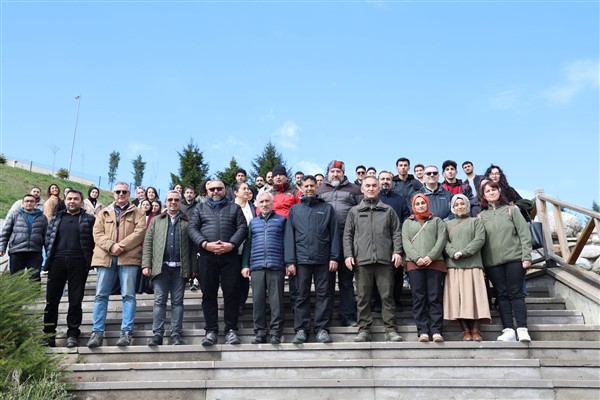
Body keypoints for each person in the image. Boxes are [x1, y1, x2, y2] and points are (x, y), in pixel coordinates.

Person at [188, 179, 248, 346]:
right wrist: (205, 244)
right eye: (212, 189)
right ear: (207, 191)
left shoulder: (234, 208)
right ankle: (211, 330)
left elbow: (242, 228)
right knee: (208, 294)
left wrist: (231, 245)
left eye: (219, 189)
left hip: (230, 257)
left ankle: (231, 330)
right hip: (207, 257)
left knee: (232, 294)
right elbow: (192, 228)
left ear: (224, 190)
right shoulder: (199, 208)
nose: (215, 191)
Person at [343, 176, 404, 343]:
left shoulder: (388, 210)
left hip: (384, 260)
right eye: (367, 186)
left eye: (374, 186)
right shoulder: (354, 212)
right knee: (363, 298)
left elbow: (397, 233)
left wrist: (397, 251)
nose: (370, 188)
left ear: (379, 189)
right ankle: (363, 330)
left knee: (387, 297)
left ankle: (391, 330)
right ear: (362, 189)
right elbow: (347, 235)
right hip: (362, 261)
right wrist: (348, 255)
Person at [87, 182, 146, 348]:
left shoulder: (138, 213)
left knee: (128, 295)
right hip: (105, 257)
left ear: (129, 194)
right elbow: (97, 233)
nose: (121, 194)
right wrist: (111, 246)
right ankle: (97, 332)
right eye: (118, 191)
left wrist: (122, 246)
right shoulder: (103, 212)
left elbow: (140, 232)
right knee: (100, 295)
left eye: (124, 192)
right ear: (113, 193)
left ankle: (126, 332)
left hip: (128, 258)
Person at [285, 176, 339, 344]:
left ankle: (322, 329)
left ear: (317, 187)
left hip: (323, 259)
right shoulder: (295, 210)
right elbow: (289, 237)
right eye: (306, 186)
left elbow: (335, 234)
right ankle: (301, 329)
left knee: (324, 294)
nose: (309, 188)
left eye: (312, 186)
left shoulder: (327, 208)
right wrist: (290, 261)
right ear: (301, 188)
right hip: (301, 260)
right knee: (301, 295)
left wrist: (334, 257)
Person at [479, 180, 532, 342]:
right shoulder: (481, 216)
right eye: (487, 191)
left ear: (499, 192)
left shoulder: (512, 210)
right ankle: (508, 329)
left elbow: (524, 234)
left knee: (516, 293)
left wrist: (526, 256)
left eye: (494, 190)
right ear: (484, 196)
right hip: (492, 263)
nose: (491, 193)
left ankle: (522, 328)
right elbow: (481, 242)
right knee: (501, 295)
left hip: (514, 259)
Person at [142, 190, 196, 346]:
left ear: (180, 202)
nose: (173, 202)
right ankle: (157, 334)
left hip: (180, 269)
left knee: (178, 302)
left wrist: (194, 268)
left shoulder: (187, 221)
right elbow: (148, 243)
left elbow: (193, 247)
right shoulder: (156, 221)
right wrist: (146, 264)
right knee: (159, 301)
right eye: (170, 199)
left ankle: (176, 334)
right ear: (165, 202)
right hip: (161, 268)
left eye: (176, 200)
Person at [43, 189, 95, 348]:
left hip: (78, 262)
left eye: (76, 199)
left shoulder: (89, 219)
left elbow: (93, 240)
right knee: (51, 300)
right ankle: (49, 335)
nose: (72, 201)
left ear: (81, 201)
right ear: (65, 201)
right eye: (69, 199)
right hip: (57, 261)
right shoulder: (57, 218)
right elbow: (48, 239)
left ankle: (72, 333)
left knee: (75, 300)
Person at [317, 160, 361, 327]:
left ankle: (348, 316)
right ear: (328, 173)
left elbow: (360, 211)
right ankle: (325, 318)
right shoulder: (320, 190)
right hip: (325, 241)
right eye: (332, 171)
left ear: (343, 173)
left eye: (338, 171)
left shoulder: (354, 189)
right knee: (325, 284)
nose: (335, 174)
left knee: (346, 282)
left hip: (346, 239)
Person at [443, 194, 490, 342]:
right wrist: (452, 252)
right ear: (453, 207)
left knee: (474, 298)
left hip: (472, 264)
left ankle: (476, 330)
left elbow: (479, 239)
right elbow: (445, 242)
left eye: (462, 204)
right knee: (459, 299)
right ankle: (465, 330)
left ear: (467, 205)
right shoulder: (448, 224)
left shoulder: (476, 222)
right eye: (456, 205)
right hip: (454, 266)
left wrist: (464, 252)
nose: (459, 207)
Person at [241, 192, 287, 344]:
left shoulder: (281, 220)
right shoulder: (253, 223)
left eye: (267, 201)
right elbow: (248, 244)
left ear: (272, 203)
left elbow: (286, 243)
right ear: (258, 205)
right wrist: (245, 264)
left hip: (276, 265)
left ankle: (275, 332)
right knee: (258, 301)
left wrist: (287, 262)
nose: (265, 204)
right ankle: (260, 332)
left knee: (276, 302)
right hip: (257, 266)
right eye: (262, 202)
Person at [402, 193, 448, 342]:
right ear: (413, 206)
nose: (420, 205)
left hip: (435, 264)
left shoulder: (437, 221)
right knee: (419, 298)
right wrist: (417, 258)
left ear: (427, 204)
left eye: (423, 203)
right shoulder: (408, 223)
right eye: (417, 204)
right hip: (414, 265)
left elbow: (441, 240)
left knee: (434, 297)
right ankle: (422, 330)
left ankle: (436, 330)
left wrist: (430, 257)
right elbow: (406, 242)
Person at [0, 193, 48, 277]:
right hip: (17, 251)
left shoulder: (42, 217)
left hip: (35, 253)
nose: (29, 203)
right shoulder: (14, 215)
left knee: (35, 280)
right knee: (16, 279)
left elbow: (46, 237)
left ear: (35, 203)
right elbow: (5, 233)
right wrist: (2, 248)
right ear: (23, 203)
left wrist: (49, 252)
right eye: (27, 201)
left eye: (31, 201)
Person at [233, 181, 257, 314]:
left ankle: (242, 303)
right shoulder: (229, 207)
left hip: (249, 248)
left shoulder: (253, 208)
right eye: (244, 189)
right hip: (232, 249)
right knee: (233, 277)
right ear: (236, 192)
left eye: (248, 189)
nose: (247, 191)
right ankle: (233, 303)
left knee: (244, 277)